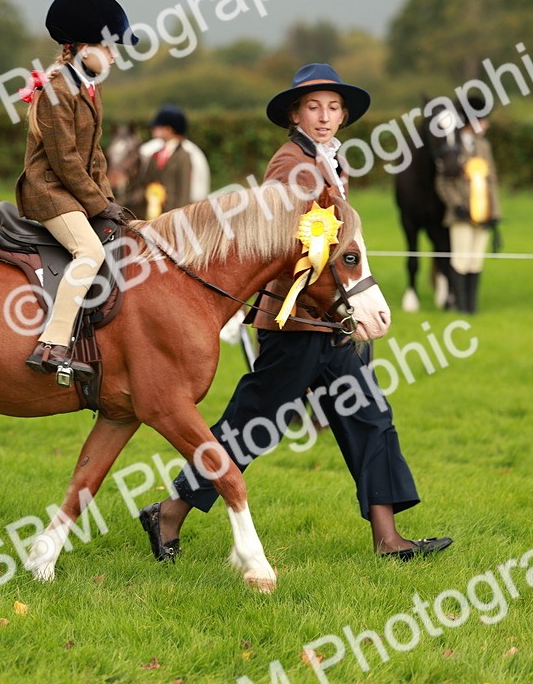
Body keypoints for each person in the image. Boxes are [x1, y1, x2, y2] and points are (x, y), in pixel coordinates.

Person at [138, 63, 451, 562]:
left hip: (332, 319)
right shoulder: (290, 164)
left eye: (333, 108)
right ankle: (169, 512)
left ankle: (388, 539)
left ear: (343, 116)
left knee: (369, 416)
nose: (324, 116)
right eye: (313, 107)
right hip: (296, 320)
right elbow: (283, 243)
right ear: (295, 114)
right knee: (252, 426)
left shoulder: (334, 161)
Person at [15, 0, 134, 378]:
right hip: (50, 192)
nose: (114, 56)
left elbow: (94, 156)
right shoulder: (57, 92)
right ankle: (52, 344)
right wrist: (98, 205)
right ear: (85, 49)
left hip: (73, 192)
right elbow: (65, 161)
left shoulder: (88, 89)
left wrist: (111, 202)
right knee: (90, 252)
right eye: (109, 48)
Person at [434, 95, 501, 314]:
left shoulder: (484, 146)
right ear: (472, 121)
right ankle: (460, 306)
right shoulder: (453, 146)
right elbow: (443, 182)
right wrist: (457, 205)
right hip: (460, 215)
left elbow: (491, 181)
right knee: (461, 259)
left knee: (476, 260)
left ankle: (472, 307)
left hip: (483, 214)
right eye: (483, 120)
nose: (487, 125)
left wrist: (494, 212)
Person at [133, 104, 210, 219]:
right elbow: (145, 184)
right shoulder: (154, 154)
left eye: (158, 126)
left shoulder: (183, 156)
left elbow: (184, 192)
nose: (153, 129)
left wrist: (179, 218)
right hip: (151, 215)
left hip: (172, 216)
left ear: (169, 129)